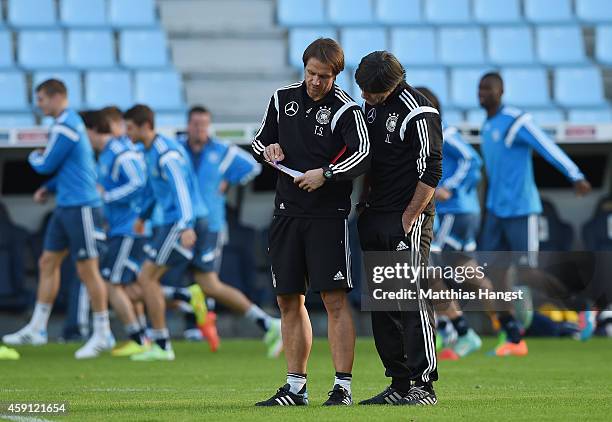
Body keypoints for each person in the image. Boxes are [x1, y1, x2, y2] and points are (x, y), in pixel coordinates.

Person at [252, 38, 370, 407]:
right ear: (303, 68)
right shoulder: (281, 99)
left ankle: (343, 387)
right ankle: (295, 387)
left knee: (334, 300)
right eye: (311, 73)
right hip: (286, 212)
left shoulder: (347, 110)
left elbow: (364, 155)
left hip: (327, 217)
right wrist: (268, 150)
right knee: (288, 300)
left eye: (323, 76)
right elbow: (258, 142)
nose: (315, 82)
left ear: (336, 75)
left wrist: (328, 173)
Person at [125, 105, 281, 361]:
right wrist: (143, 216)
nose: (126, 133)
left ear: (144, 126)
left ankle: (162, 343)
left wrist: (186, 224)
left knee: (146, 279)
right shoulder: (164, 149)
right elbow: (158, 189)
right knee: (209, 284)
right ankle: (268, 324)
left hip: (186, 223)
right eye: (194, 123)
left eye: (129, 127)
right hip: (189, 221)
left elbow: (182, 192)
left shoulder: (169, 154)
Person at [477, 72, 591, 356]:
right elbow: (492, 174)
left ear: (501, 91)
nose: (482, 93)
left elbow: (546, 146)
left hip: (521, 209)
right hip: (495, 211)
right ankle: (514, 337)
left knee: (526, 271)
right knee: (493, 272)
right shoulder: (487, 124)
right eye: (479, 88)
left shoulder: (516, 121)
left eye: (488, 88)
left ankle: (581, 308)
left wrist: (575, 174)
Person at [2, 79, 114, 359]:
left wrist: (32, 156)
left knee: (88, 269)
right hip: (66, 206)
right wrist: (49, 188)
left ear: (55, 97)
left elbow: (46, 163)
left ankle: (103, 333)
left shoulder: (66, 126)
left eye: (40, 99)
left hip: (83, 207)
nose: (37, 105)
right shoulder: (65, 125)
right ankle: (37, 329)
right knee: (47, 262)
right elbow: (68, 168)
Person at [355, 52, 442, 405]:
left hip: (408, 216)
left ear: (391, 85)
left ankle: (424, 384)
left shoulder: (419, 112)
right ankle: (399, 383)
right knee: (384, 302)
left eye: (370, 92)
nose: (364, 97)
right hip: (375, 214)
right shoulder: (371, 107)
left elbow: (431, 172)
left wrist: (408, 219)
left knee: (411, 298)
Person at [177, 105, 263, 353]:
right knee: (184, 275)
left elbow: (252, 166)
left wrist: (229, 180)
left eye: (204, 124)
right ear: (188, 124)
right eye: (195, 124)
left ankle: (205, 325)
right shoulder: (177, 149)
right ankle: (191, 324)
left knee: (207, 277)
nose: (199, 128)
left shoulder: (221, 150)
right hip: (182, 222)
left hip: (212, 222)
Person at [416, 87, 485, 360]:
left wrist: (449, 188)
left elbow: (472, 158)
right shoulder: (429, 133)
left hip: (453, 211)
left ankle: (458, 330)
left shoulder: (443, 131)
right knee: (467, 270)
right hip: (459, 211)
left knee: (427, 271)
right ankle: (507, 322)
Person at [81, 109, 155, 357]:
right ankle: (146, 332)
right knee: (129, 285)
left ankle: (138, 337)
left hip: (128, 229)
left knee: (111, 283)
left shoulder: (117, 151)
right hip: (120, 228)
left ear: (92, 130)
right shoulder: (105, 154)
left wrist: (108, 197)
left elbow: (138, 182)